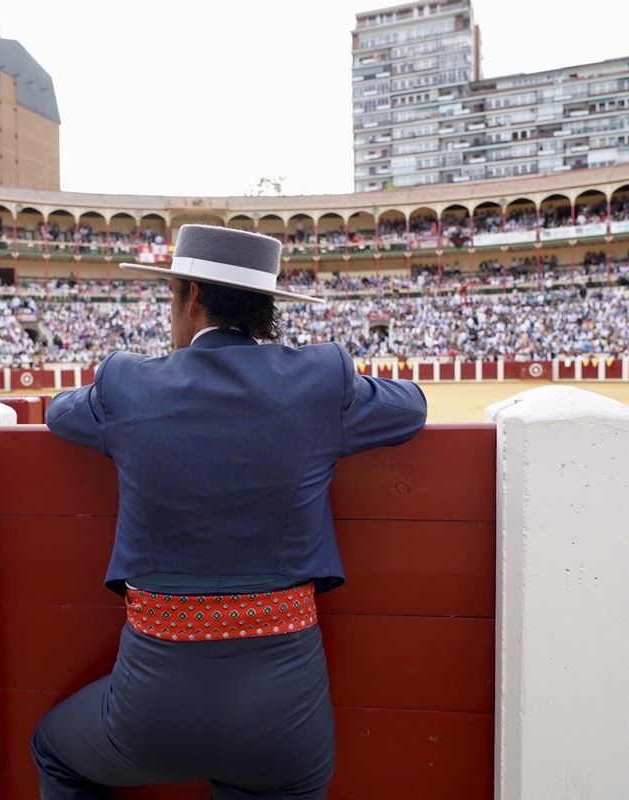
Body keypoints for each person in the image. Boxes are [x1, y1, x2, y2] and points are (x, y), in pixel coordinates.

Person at [31, 225, 428, 799]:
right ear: (265, 308)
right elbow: (411, 407)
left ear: (191, 296)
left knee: (56, 752)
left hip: (152, 695)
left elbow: (61, 413)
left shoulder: (127, 382)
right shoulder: (320, 377)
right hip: (284, 701)